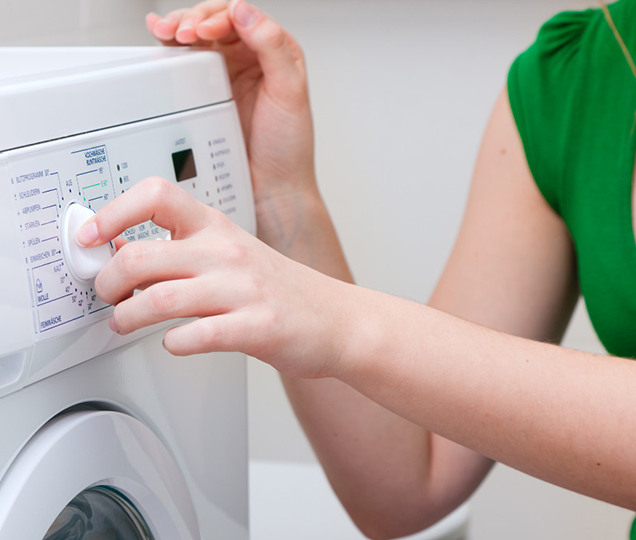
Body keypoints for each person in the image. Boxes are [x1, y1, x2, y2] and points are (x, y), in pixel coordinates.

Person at [74, 0, 636, 538]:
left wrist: (343, 322)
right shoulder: (570, 78)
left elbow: (349, 333)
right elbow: (408, 484)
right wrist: (280, 198)